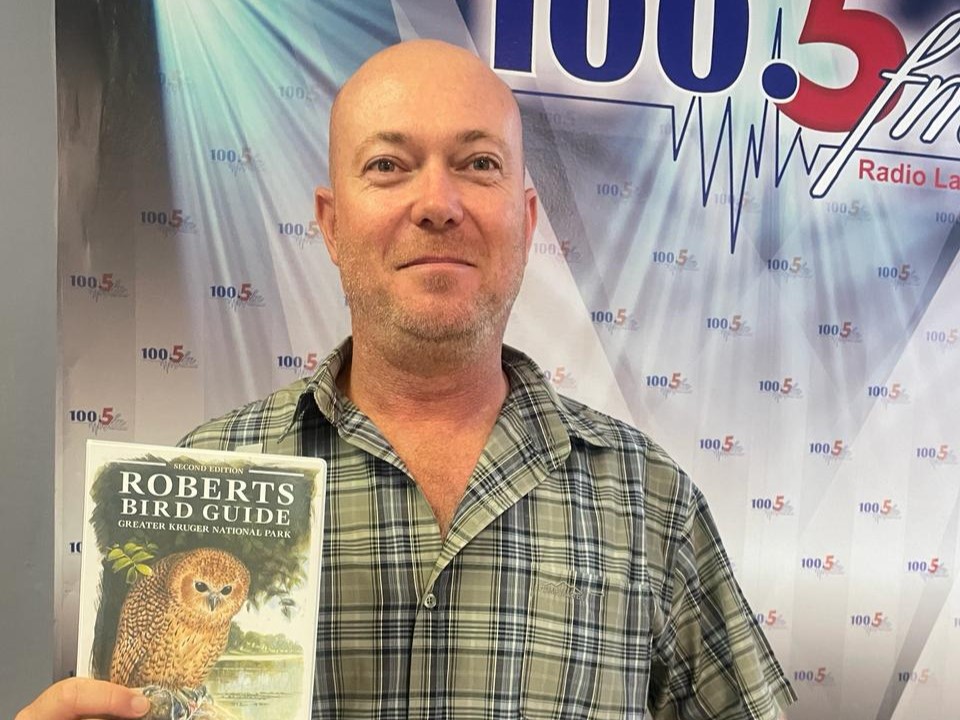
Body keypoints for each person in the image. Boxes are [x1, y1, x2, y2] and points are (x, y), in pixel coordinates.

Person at [18, 39, 795, 720]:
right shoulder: (209, 473)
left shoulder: (651, 500)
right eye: (388, 165)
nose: (438, 204)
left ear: (527, 221)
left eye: (479, 164)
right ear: (330, 224)